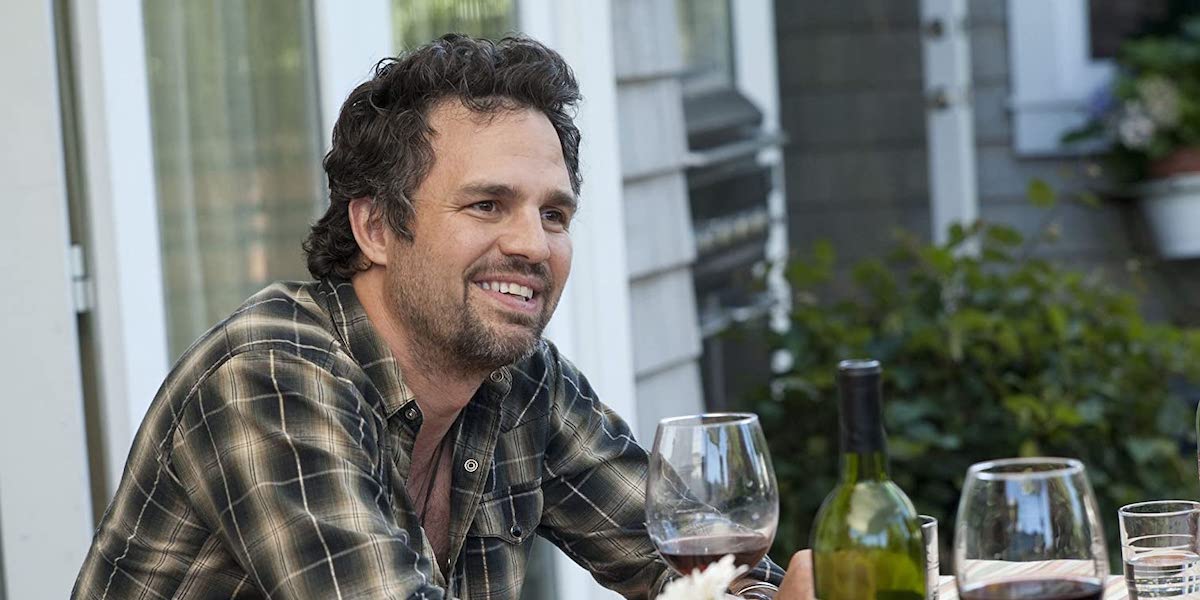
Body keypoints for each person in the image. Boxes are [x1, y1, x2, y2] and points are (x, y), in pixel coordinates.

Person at [72, 34, 810, 599]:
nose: (531, 244)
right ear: (376, 229)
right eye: (487, 204)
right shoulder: (271, 377)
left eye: (553, 214)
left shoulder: (522, 382)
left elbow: (687, 566)